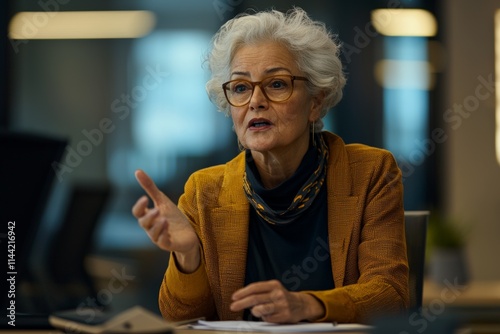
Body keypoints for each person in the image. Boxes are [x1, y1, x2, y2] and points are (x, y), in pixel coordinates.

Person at [132, 7, 408, 324]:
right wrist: (188, 256)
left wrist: (308, 305)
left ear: (315, 102)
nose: (255, 101)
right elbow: (181, 318)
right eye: (240, 87)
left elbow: (390, 295)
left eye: (276, 84)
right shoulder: (203, 192)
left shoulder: (371, 173)